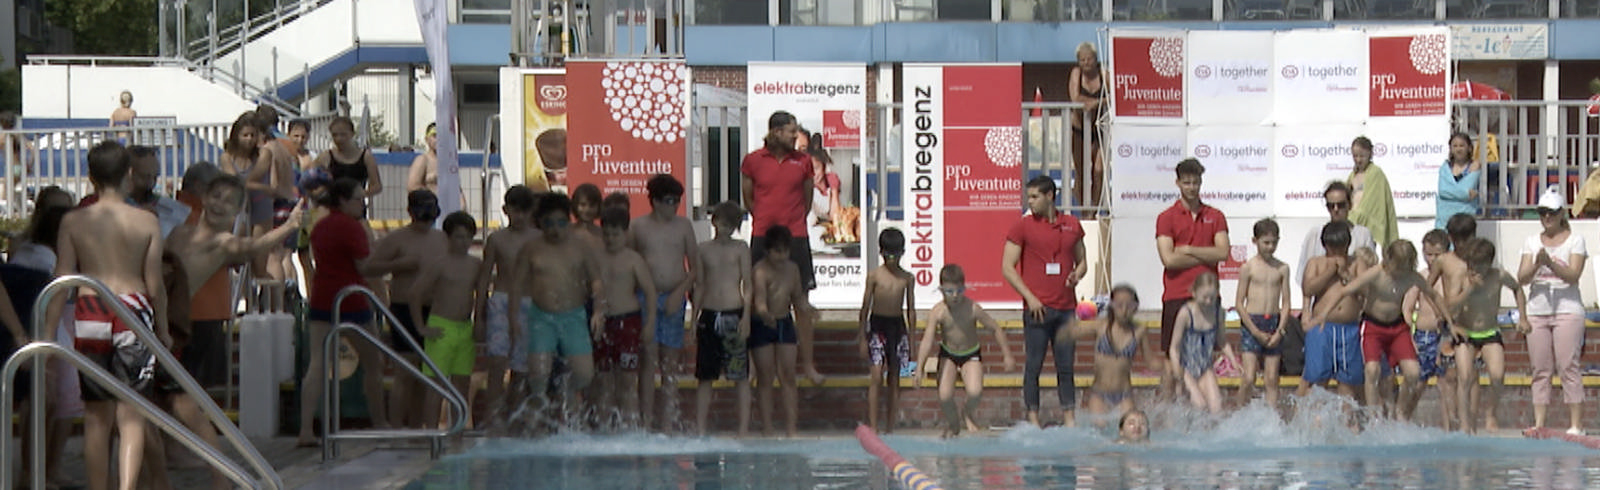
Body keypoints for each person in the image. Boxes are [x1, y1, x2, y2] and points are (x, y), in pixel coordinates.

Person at [162, 175, 302, 488]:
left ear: (236, 212)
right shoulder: (178, 232)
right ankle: (158, 476)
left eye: (228, 202)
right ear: (205, 199)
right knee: (156, 403)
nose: (219, 205)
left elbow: (252, 245)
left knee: (182, 400)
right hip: (155, 322)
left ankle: (220, 471)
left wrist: (290, 226)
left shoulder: (224, 243)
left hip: (176, 329)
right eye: (216, 197)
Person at [42, 141, 167, 490]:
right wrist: (166, 329)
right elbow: (155, 284)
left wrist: (49, 331)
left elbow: (63, 279)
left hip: (91, 307)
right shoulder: (147, 220)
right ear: (129, 173)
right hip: (134, 308)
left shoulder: (74, 220)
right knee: (131, 416)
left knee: (96, 416)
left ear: (90, 177)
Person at [296, 178, 393, 447]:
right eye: (358, 199)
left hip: (323, 298)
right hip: (352, 299)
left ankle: (305, 429)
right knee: (373, 364)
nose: (363, 203)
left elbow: (314, 260)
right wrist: (396, 264)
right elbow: (364, 267)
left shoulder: (320, 226)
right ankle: (380, 422)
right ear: (342, 201)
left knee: (316, 363)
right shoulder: (352, 228)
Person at [1311, 240, 1450, 420]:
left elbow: (1435, 296)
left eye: (1404, 268)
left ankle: (1401, 412)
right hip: (1373, 326)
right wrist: (1324, 314)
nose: (1399, 273)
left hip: (1397, 328)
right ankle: (1372, 415)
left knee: (1413, 372)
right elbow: (1344, 291)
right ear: (1388, 260)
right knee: (1372, 369)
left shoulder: (1412, 277)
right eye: (1397, 267)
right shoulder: (1377, 273)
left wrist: (1450, 322)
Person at [742, 111, 825, 386]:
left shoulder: (803, 162)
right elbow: (748, 198)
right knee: (756, 299)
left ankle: (809, 365)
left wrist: (792, 220)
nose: (795, 137)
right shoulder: (753, 160)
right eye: (791, 132)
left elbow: (807, 196)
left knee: (801, 303)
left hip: (796, 237)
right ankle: (753, 365)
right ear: (776, 132)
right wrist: (767, 219)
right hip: (763, 236)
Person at [506, 193, 603, 419]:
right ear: (540, 223)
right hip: (542, 318)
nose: (555, 229)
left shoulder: (580, 248)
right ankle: (540, 423)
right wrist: (513, 319)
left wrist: (598, 310)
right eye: (549, 224)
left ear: (568, 221)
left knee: (584, 375)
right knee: (538, 375)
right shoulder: (531, 249)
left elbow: (596, 280)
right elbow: (517, 286)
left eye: (561, 223)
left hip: (574, 317)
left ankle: (566, 393)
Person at [1001, 175, 1086, 427]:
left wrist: (1077, 275)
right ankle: (1033, 418)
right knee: (1033, 365)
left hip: (1066, 308)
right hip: (1037, 309)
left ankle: (1069, 417)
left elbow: (1082, 260)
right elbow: (1007, 267)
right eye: (1029, 197)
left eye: (1035, 197)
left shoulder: (1071, 224)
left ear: (1050, 196)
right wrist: (1030, 298)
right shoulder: (1023, 226)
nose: (1030, 202)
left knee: (1065, 366)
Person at [368, 190, 446, 428]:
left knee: (427, 374)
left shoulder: (442, 239)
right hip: (404, 309)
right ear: (410, 212)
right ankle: (396, 427)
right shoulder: (397, 239)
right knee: (406, 371)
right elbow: (368, 268)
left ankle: (416, 426)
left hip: (435, 310)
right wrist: (397, 265)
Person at [1155, 158, 1229, 401]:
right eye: (1186, 183)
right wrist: (1204, 256)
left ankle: (1203, 412)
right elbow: (1169, 260)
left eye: (1196, 182)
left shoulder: (1215, 215)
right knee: (1171, 359)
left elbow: (1223, 253)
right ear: (1177, 183)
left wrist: (1188, 250)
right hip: (1177, 295)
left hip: (1207, 297)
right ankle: (1168, 410)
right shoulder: (1166, 217)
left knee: (1205, 358)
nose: (1191, 187)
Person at [628, 174, 698, 430]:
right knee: (647, 363)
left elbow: (695, 267)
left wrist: (681, 292)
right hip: (645, 299)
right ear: (655, 201)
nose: (674, 206)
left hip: (673, 297)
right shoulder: (638, 227)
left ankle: (668, 423)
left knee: (670, 364)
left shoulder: (683, 226)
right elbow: (630, 264)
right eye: (669, 201)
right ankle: (646, 423)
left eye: (677, 201)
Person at [913, 264, 1015, 438]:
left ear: (964, 288)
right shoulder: (938, 312)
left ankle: (967, 413)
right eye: (950, 291)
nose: (955, 296)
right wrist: (919, 368)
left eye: (959, 291)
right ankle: (954, 425)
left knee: (975, 392)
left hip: (970, 354)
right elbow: (927, 340)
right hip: (948, 354)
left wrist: (1007, 354)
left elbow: (995, 329)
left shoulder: (972, 308)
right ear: (941, 290)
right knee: (945, 396)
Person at [1516, 188, 1587, 435]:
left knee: (1568, 366)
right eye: (1542, 212)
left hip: (1567, 309)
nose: (1547, 217)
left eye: (1552, 213)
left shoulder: (1575, 241)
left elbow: (1573, 276)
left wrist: (1551, 264)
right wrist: (1537, 263)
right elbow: (1522, 278)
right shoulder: (1531, 242)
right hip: (1538, 310)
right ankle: (1539, 423)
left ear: (1561, 214)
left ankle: (1576, 425)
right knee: (1540, 369)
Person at [476, 185, 542, 430]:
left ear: (531, 211)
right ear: (505, 210)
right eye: (515, 211)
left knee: (521, 367)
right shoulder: (497, 239)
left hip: (530, 304)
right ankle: (493, 419)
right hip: (501, 302)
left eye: (524, 211)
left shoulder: (538, 238)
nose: (520, 217)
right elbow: (485, 277)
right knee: (497, 362)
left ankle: (515, 419)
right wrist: (479, 313)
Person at [1450, 237, 1530, 434]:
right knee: (1465, 376)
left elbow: (1517, 289)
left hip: (1489, 330)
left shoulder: (1499, 275)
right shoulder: (1460, 277)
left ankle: (1490, 414)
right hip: (1465, 332)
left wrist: (1523, 317)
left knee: (1497, 374)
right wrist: (1469, 290)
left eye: (1478, 265)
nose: (1473, 270)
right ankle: (1465, 423)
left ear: (1489, 263)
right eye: (1470, 265)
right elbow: (1450, 305)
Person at [410, 211, 481, 431]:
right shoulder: (440, 264)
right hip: (442, 326)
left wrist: (479, 322)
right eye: (459, 237)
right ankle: (431, 431)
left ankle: (457, 430)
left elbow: (480, 296)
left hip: (464, 328)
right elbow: (415, 293)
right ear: (448, 238)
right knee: (436, 386)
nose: (464, 242)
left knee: (461, 385)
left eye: (468, 237)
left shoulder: (475, 264)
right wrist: (421, 327)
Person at [590, 207, 657, 426]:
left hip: (628, 322)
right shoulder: (595, 257)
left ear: (625, 234)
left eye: (615, 234)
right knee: (603, 379)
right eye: (606, 234)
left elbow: (650, 292)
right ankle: (604, 427)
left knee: (628, 379)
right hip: (603, 323)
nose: (610, 239)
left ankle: (630, 427)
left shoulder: (633, 259)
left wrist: (649, 324)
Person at [692, 202, 753, 437]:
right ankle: (700, 429)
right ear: (714, 221)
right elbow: (700, 285)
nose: (725, 229)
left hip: (732, 312)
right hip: (709, 312)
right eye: (722, 223)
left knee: (740, 375)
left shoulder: (741, 248)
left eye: (730, 225)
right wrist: (694, 317)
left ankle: (743, 429)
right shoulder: (703, 249)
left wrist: (746, 317)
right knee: (705, 376)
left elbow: (747, 283)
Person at [1296, 221, 1366, 402]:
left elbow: (1365, 291)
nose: (1336, 253)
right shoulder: (1316, 263)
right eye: (1332, 248)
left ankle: (1349, 422)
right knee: (1318, 379)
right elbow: (1308, 289)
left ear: (1348, 245)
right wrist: (1330, 271)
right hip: (1322, 327)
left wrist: (1345, 274)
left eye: (1340, 248)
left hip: (1348, 329)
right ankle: (1313, 423)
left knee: (1348, 381)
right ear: (1325, 245)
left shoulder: (1357, 263)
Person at [1068, 284, 1152, 425]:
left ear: (1135, 307)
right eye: (1119, 305)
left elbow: (1151, 362)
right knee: (1099, 429)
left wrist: (1167, 366)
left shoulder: (1139, 330)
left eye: (1129, 305)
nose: (1124, 310)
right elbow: (1070, 332)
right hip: (1100, 394)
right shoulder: (1101, 325)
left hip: (1124, 394)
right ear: (1112, 305)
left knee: (1131, 429)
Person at [751, 225, 805, 437]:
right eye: (777, 252)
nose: (782, 256)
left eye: (785, 251)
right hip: (762, 323)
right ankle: (768, 429)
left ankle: (791, 428)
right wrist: (765, 315)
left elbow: (798, 296)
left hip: (783, 321)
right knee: (765, 377)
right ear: (768, 251)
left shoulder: (792, 269)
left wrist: (808, 308)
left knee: (789, 376)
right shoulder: (760, 270)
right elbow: (760, 300)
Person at [859, 228, 914, 433]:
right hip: (877, 326)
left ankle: (890, 427)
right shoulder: (874, 276)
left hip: (897, 327)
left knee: (894, 378)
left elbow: (911, 310)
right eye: (889, 255)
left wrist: (913, 341)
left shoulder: (907, 278)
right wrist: (862, 337)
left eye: (897, 255)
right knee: (875, 377)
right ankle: (873, 426)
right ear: (881, 253)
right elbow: (865, 308)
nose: (893, 260)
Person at [1405, 229, 1460, 430]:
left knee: (1447, 383)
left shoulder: (1451, 277)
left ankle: (1449, 428)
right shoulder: (1421, 277)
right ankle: (1404, 420)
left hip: (1443, 335)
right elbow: (1408, 307)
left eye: (1437, 255)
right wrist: (1409, 335)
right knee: (1417, 382)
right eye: (1428, 254)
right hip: (1424, 335)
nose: (1432, 259)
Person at [1234, 219, 1290, 409]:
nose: (1270, 247)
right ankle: (1239, 414)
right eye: (1266, 242)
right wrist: (1255, 331)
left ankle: (1272, 419)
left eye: (1274, 242)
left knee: (1272, 379)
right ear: (1254, 241)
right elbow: (1239, 304)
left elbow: (1286, 302)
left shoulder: (1282, 268)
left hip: (1273, 322)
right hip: (1253, 322)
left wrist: (1280, 331)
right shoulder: (1248, 268)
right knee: (1249, 376)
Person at [1297, 181, 1378, 288]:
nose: (1336, 209)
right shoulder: (1315, 234)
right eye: (1331, 206)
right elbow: (1304, 277)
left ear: (1349, 205)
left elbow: (1370, 274)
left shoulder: (1363, 234)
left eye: (1341, 205)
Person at [1169, 272, 1223, 413]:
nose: (1208, 302)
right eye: (1204, 297)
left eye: (1212, 298)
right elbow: (1174, 348)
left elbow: (1223, 341)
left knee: (1216, 409)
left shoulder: (1218, 312)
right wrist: (1177, 373)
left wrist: (1233, 361)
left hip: (1205, 368)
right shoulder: (1185, 313)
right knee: (1199, 405)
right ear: (1194, 293)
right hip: (1185, 369)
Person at [1069, 42, 1107, 208]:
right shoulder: (1076, 74)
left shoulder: (1104, 73)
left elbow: (1115, 96)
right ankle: (1083, 209)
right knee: (1081, 173)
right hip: (1079, 130)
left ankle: (1095, 208)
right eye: (1082, 60)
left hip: (1099, 130)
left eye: (1089, 59)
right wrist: (1091, 102)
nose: (1086, 63)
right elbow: (1075, 98)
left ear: (1095, 59)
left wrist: (1097, 102)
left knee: (1098, 171)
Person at [314, 116, 383, 199]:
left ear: (352, 134)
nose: (339, 139)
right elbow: (309, 179)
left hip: (355, 207)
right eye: (334, 135)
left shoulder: (366, 156)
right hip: (332, 207)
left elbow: (377, 186)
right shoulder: (326, 156)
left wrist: (362, 194)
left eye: (343, 134)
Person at [1348, 136, 1398, 247]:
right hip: (1350, 226)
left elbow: (1372, 206)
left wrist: (1356, 218)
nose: (1358, 160)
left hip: (1365, 228)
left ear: (1370, 154)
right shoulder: (1352, 175)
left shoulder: (1375, 173)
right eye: (1355, 156)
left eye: (1362, 156)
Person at [1437, 132, 1482, 230]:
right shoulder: (1445, 168)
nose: (1458, 149)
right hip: (1444, 224)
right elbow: (1443, 191)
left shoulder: (1474, 167)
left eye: (1462, 146)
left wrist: (1451, 192)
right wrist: (1466, 195)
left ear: (1469, 148)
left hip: (1464, 225)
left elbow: (1469, 186)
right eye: (1455, 146)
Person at [407, 123, 440, 193]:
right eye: (435, 136)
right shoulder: (422, 160)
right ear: (427, 139)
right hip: (427, 203)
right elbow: (412, 187)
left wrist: (462, 203)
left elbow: (457, 188)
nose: (438, 139)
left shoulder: (448, 162)